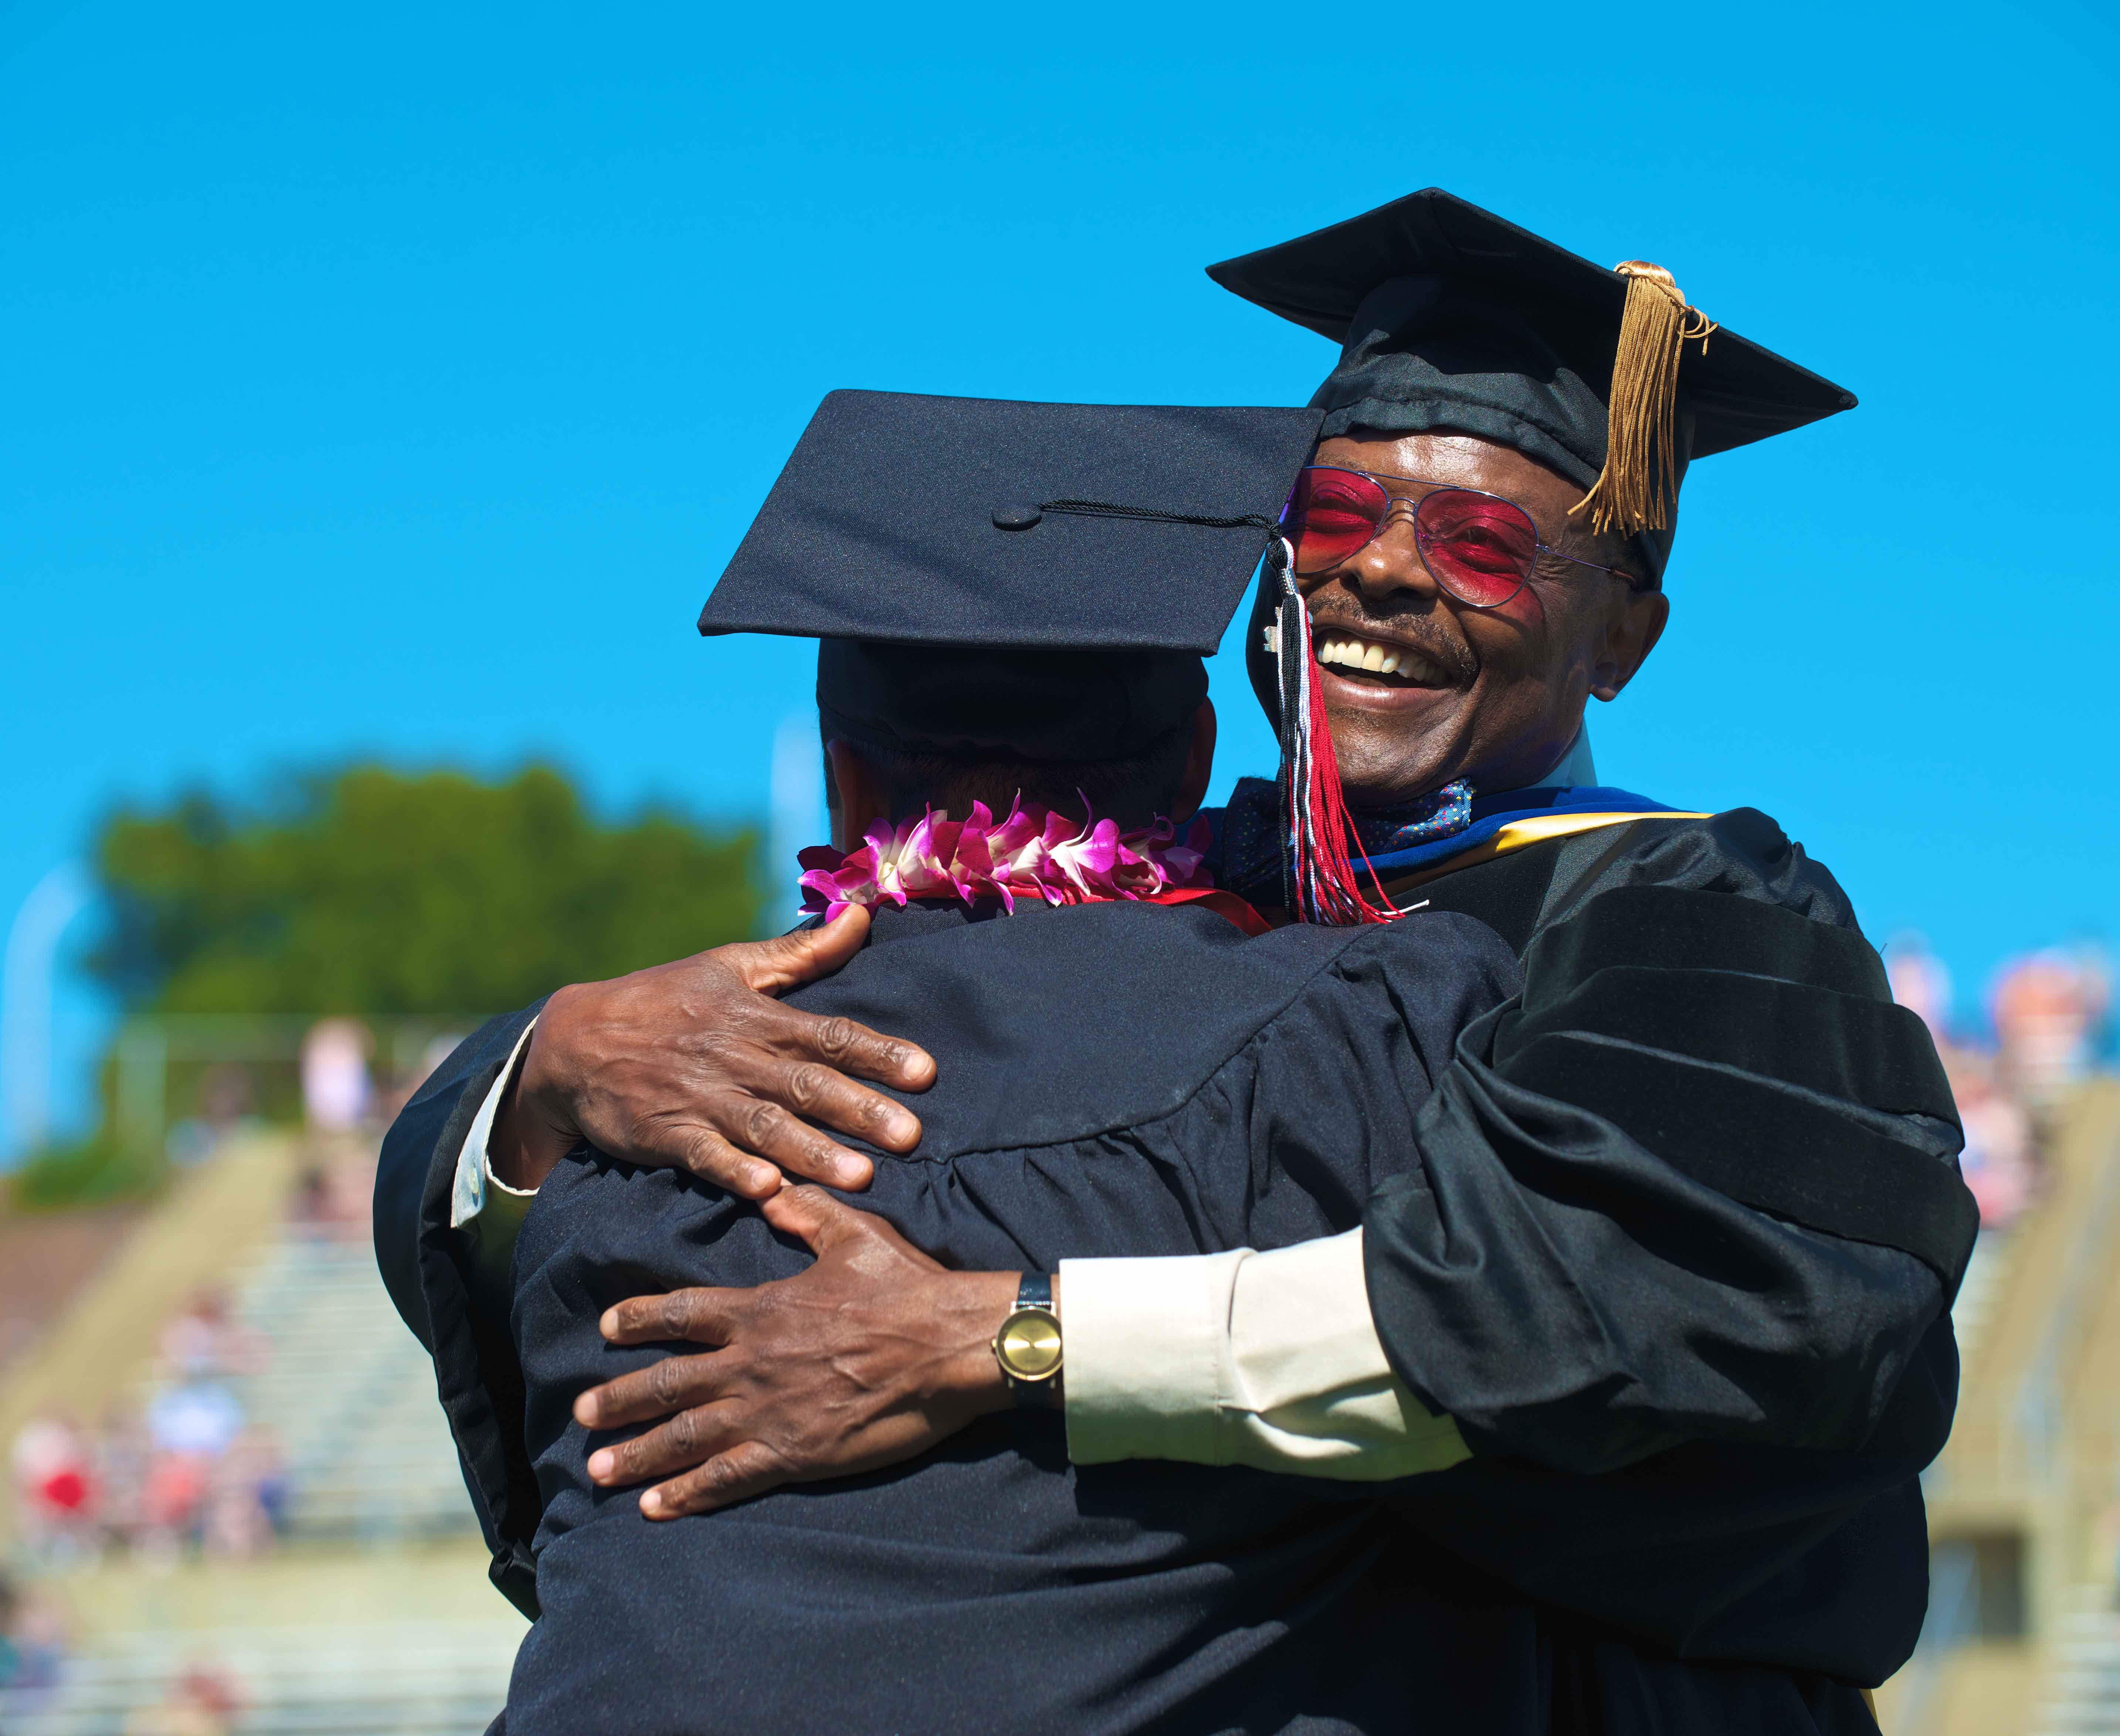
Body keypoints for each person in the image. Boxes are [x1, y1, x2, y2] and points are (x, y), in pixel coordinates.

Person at [377, 193, 1975, 1724]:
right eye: (1335, 515)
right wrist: (553, 1068)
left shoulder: (1689, 910)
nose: (1385, 570)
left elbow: (1664, 1317)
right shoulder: (1148, 902)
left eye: (1484, 543)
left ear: (1622, 635)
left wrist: (1006, 1335)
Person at [389, 391, 1582, 1732]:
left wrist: (549, 1053)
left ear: (842, 781)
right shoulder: (1355, 1039)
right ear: (1195, 757)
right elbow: (1539, 1356)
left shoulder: (619, 1125)